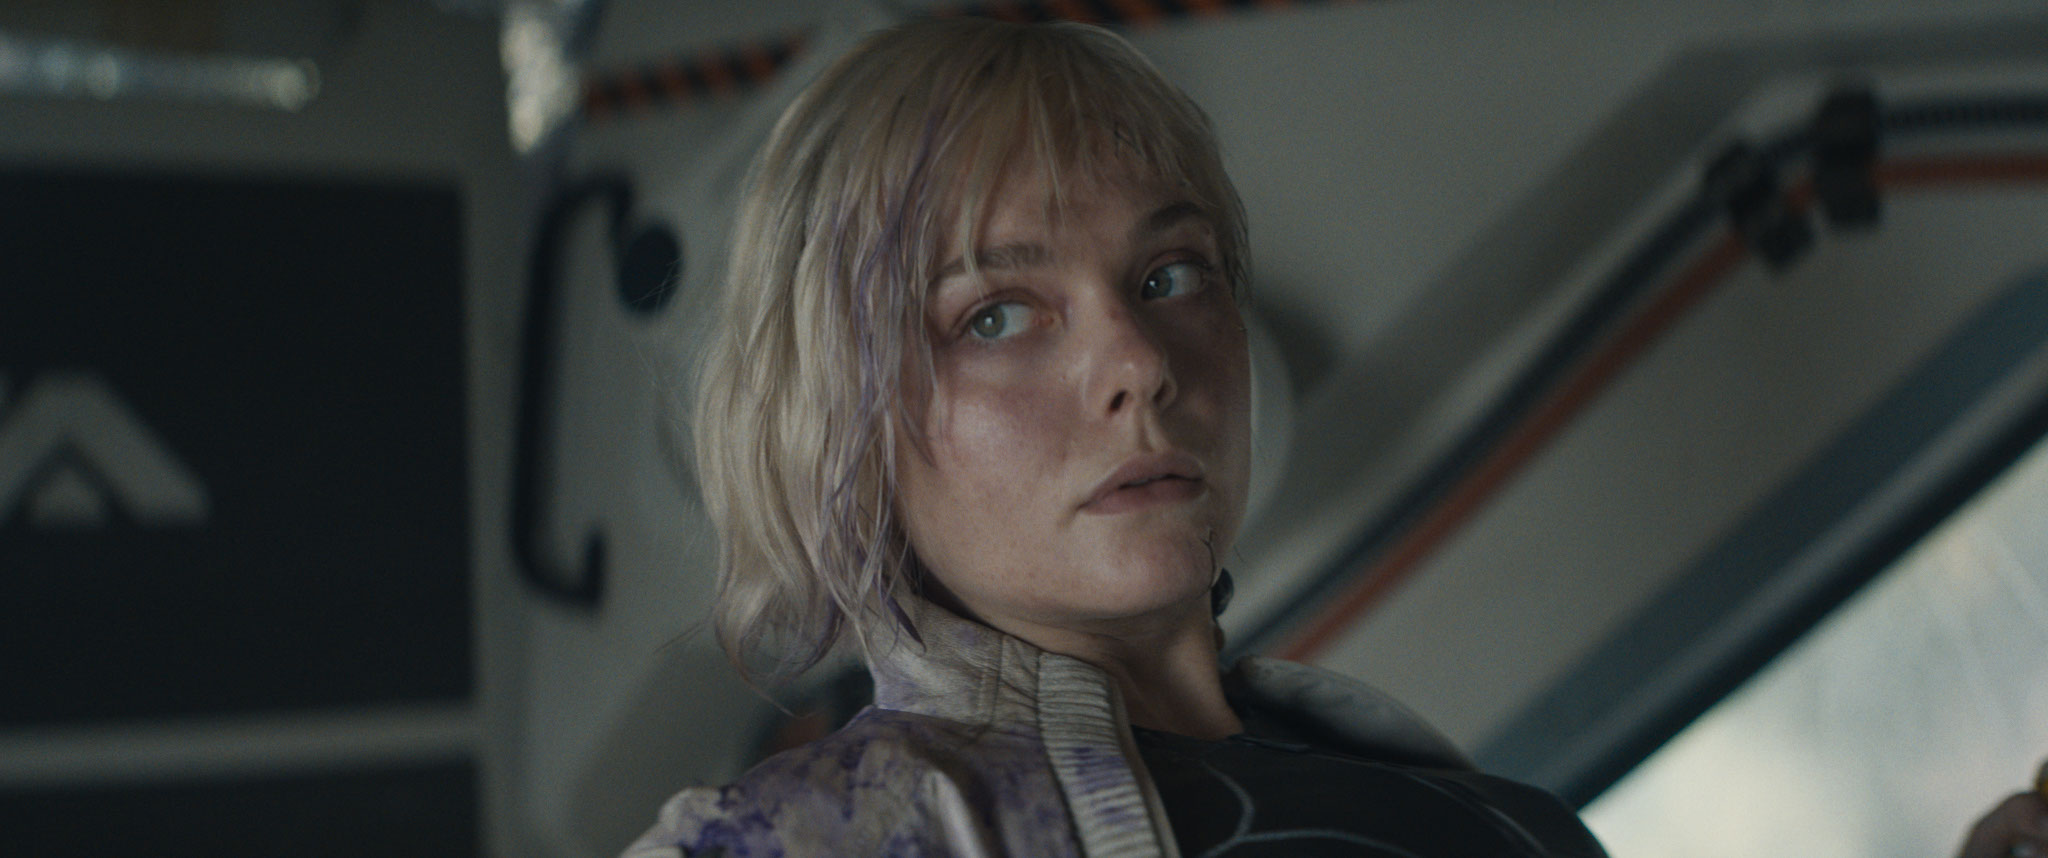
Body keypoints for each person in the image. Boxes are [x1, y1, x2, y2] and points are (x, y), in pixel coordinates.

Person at [625, 15, 2048, 858]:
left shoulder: (1440, 792)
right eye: (997, 314)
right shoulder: (814, 840)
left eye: (1170, 274)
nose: (1138, 362)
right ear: (844, 422)